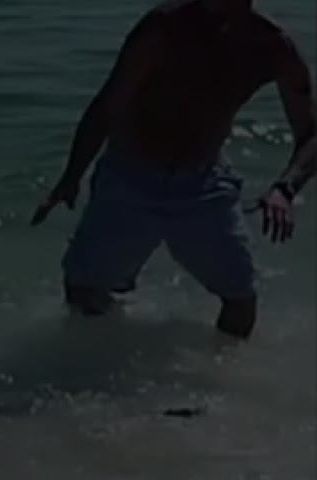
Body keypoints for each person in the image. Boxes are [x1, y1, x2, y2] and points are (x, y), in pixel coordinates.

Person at [31, 0, 315, 339]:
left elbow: (310, 135)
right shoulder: (164, 27)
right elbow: (109, 103)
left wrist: (285, 189)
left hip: (204, 184)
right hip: (129, 176)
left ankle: (225, 381)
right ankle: (99, 370)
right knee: (83, 291)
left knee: (240, 299)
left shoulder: (273, 46)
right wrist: (72, 176)